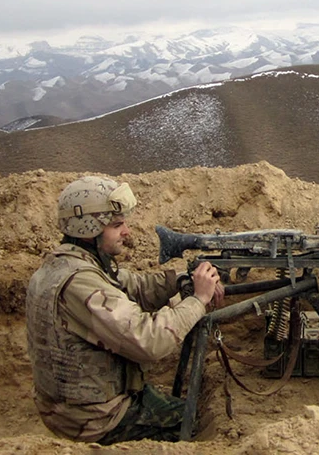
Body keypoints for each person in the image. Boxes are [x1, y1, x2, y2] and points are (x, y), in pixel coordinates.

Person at [26, 175, 224, 444]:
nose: (127, 231)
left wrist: (181, 279)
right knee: (192, 420)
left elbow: (133, 285)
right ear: (89, 229)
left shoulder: (68, 263)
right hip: (94, 418)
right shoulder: (80, 284)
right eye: (116, 225)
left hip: (73, 406)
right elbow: (149, 341)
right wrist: (198, 299)